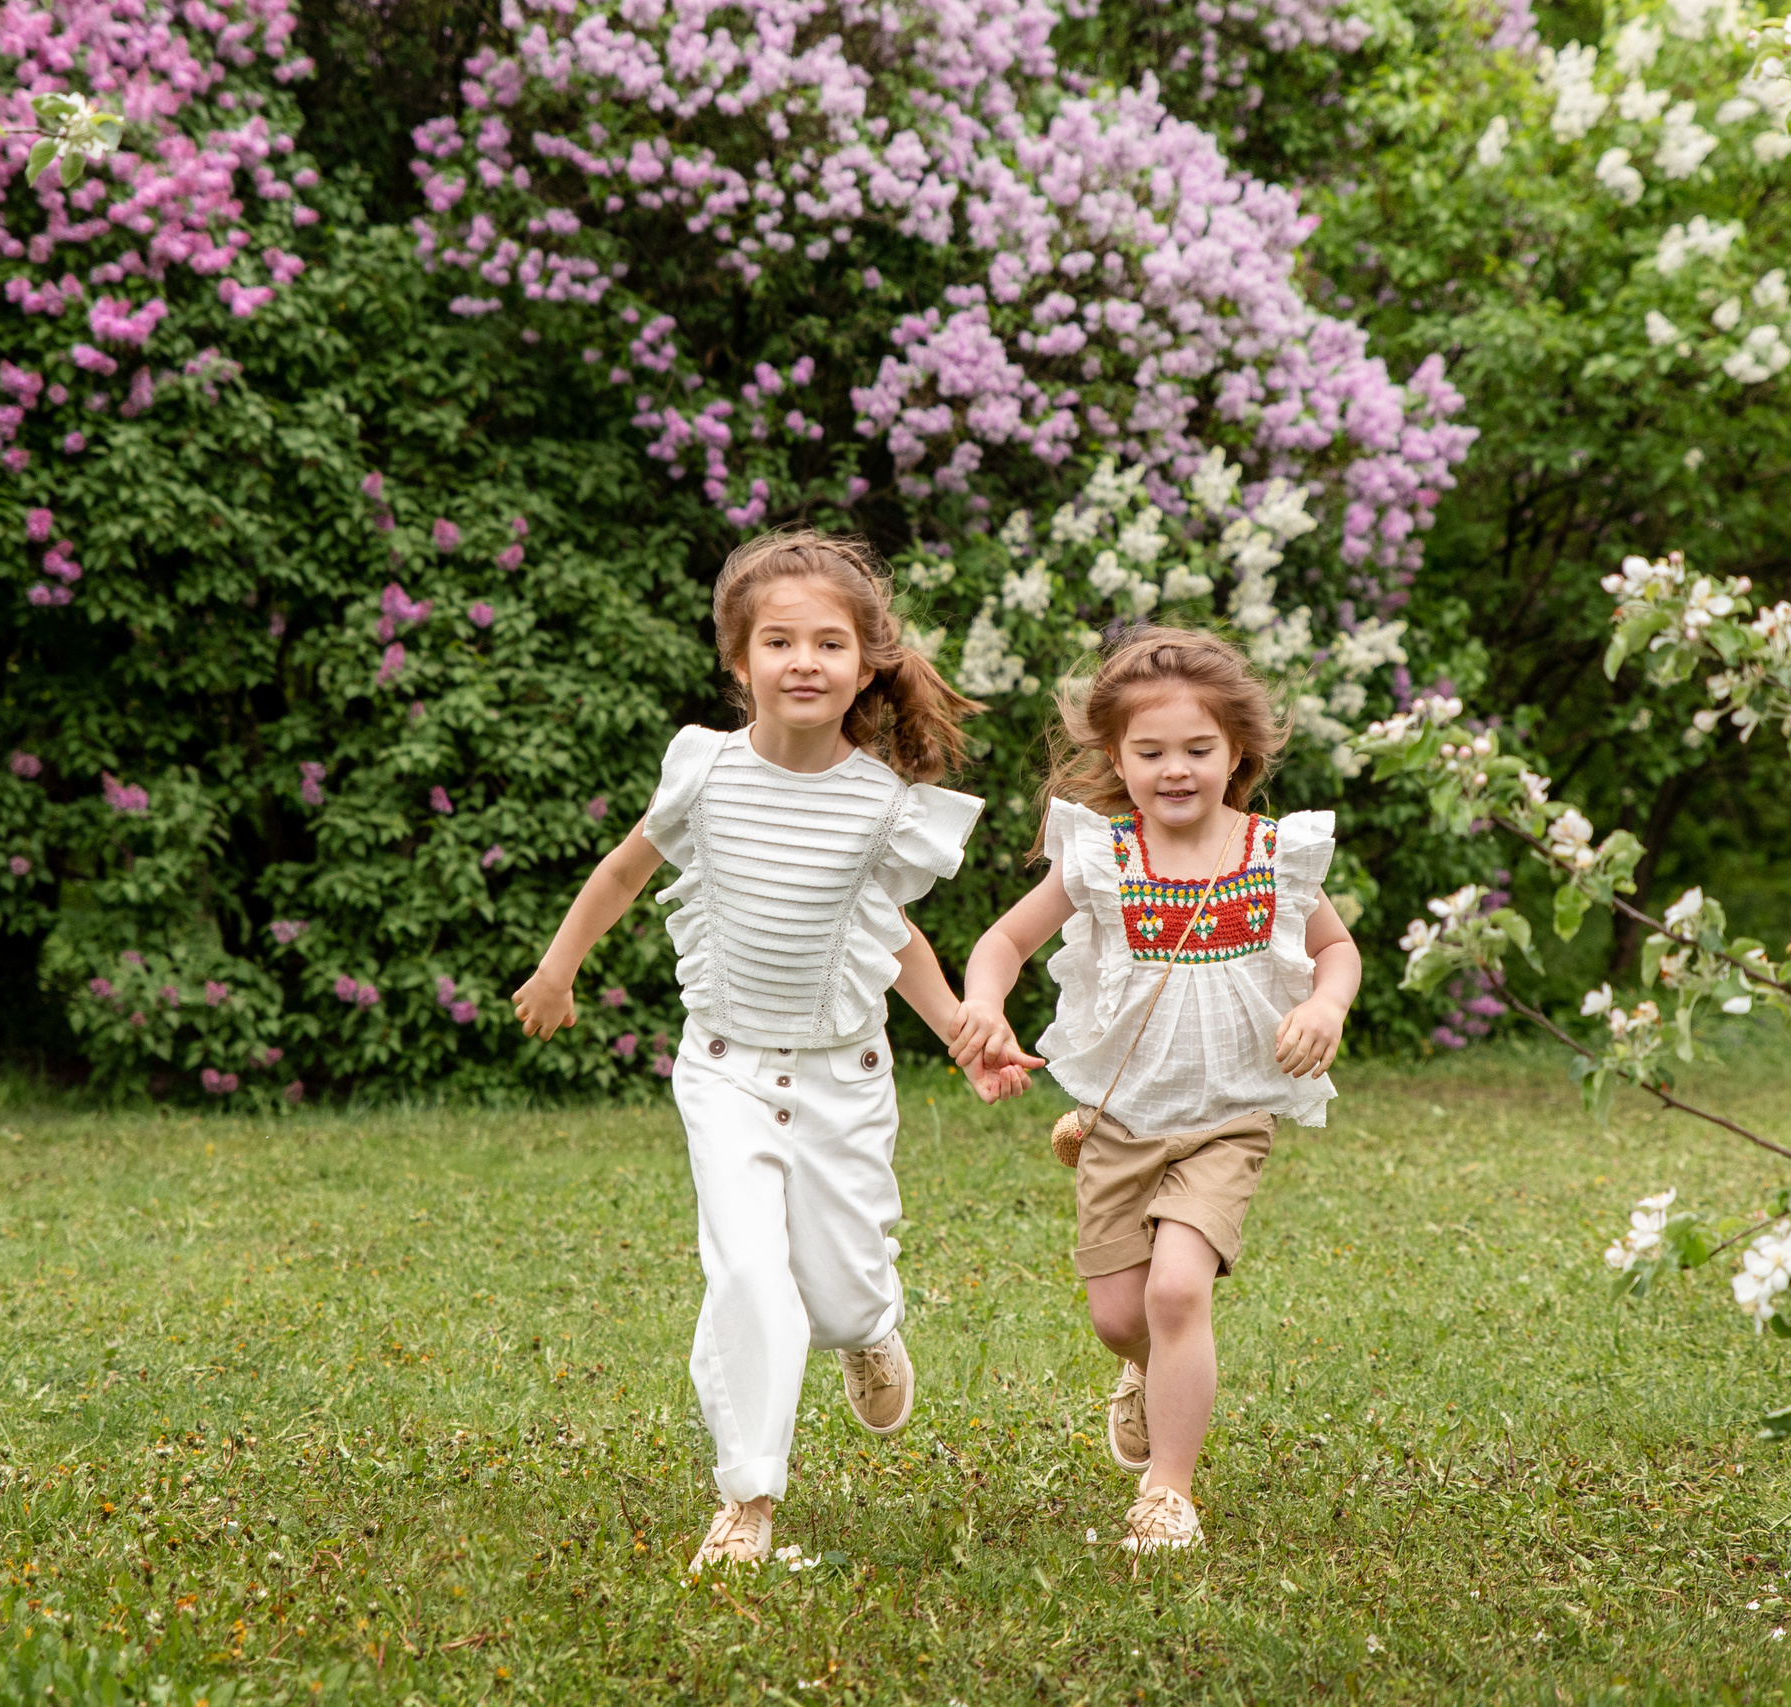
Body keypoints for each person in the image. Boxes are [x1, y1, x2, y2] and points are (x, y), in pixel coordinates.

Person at [512, 529, 1018, 1570]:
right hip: (726, 1069)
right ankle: (746, 1500)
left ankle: (871, 1331)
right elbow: (620, 874)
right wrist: (558, 968)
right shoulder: (703, 771)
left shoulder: (882, 803)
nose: (802, 661)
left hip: (842, 1081)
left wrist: (965, 1035)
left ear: (865, 664)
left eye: (827, 642)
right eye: (777, 641)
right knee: (747, 1270)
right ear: (738, 662)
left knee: (836, 1292)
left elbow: (897, 939)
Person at [951, 626, 1360, 1553]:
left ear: (1238, 752)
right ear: (1115, 758)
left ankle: (1168, 1493)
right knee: (1119, 1317)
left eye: (1198, 750)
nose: (1176, 770)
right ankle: (1146, 1373)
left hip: (1227, 1117)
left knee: (1180, 1292)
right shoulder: (1101, 857)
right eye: (1151, 752)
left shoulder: (1272, 853)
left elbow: (1335, 949)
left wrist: (1328, 1004)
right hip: (1121, 1121)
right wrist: (983, 1002)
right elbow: (1002, 943)